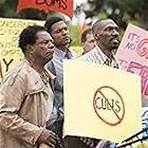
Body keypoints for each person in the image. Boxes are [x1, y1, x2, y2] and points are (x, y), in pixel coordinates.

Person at [0, 25, 57, 148]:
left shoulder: (47, 76)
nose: (51, 46)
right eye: (45, 43)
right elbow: (4, 116)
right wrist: (37, 133)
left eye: (51, 42)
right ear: (30, 48)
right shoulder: (18, 76)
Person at [78, 18, 120, 147]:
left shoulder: (118, 65)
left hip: (108, 136)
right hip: (83, 138)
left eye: (116, 29)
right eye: (109, 29)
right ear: (97, 36)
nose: (115, 33)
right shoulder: (81, 64)